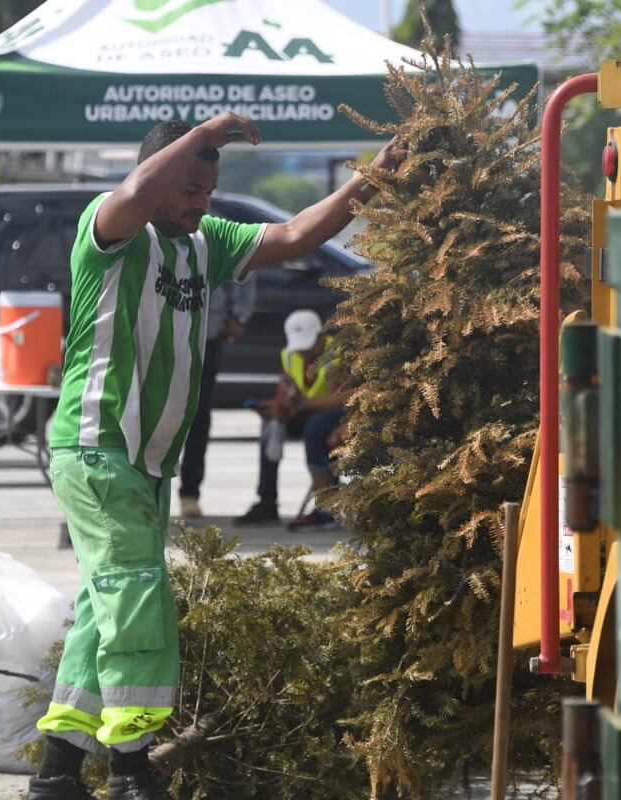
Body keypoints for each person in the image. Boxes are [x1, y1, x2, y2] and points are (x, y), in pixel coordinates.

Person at [27, 114, 404, 800]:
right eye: (189, 189)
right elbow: (136, 192)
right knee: (136, 595)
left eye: (208, 190)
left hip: (145, 464)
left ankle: (57, 770)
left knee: (104, 602)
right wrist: (208, 128)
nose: (201, 203)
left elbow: (297, 233)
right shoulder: (110, 230)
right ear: (159, 176)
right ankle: (130, 767)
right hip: (98, 447)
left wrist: (376, 175)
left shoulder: (206, 245)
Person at [233, 309, 347, 530]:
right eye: (300, 347)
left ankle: (326, 508)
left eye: (309, 345)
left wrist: (302, 404)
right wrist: (278, 408)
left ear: (321, 336)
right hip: (305, 412)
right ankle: (267, 503)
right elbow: (286, 393)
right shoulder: (290, 355)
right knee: (271, 425)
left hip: (334, 414)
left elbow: (344, 396)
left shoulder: (338, 353)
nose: (305, 352)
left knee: (317, 427)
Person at [176, 279, 255, 519]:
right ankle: (147, 486)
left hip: (206, 330)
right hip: (162, 328)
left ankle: (190, 492)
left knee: (198, 413)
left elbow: (245, 268)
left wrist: (239, 316)